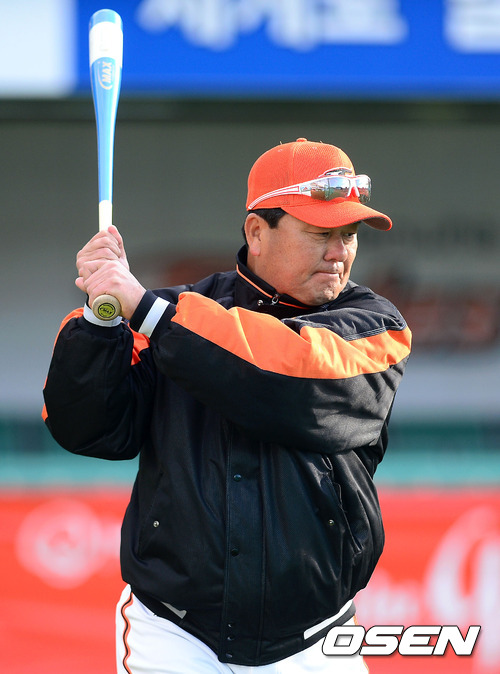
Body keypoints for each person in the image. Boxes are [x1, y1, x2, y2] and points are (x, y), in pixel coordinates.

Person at [43, 138, 412, 673]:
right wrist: (101, 319)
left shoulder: (376, 323)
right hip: (174, 633)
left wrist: (149, 312)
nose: (339, 253)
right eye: (320, 234)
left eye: (349, 235)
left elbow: (289, 375)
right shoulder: (167, 316)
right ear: (257, 232)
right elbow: (88, 429)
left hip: (314, 640)